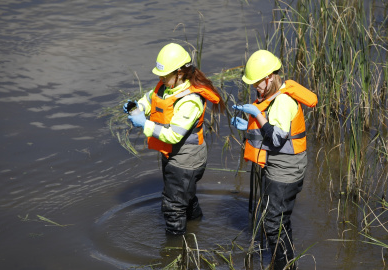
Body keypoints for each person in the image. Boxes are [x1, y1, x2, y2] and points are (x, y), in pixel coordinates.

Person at [124, 43, 225, 235]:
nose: (161, 79)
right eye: (160, 75)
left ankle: (175, 249)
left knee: (173, 207)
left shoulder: (190, 100)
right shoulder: (165, 85)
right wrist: (138, 107)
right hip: (172, 154)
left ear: (179, 72)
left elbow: (173, 134)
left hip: (187, 159)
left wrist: (144, 125)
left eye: (164, 75)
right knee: (185, 198)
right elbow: (150, 99)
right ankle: (196, 227)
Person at [231, 50, 317, 270]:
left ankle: (281, 265)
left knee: (273, 222)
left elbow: (277, 138)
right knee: (279, 219)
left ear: (269, 78)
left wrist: (257, 116)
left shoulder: (282, 101)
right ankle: (288, 263)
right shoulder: (272, 98)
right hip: (283, 168)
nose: (254, 88)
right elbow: (271, 133)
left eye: (257, 83)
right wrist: (248, 129)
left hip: (285, 172)